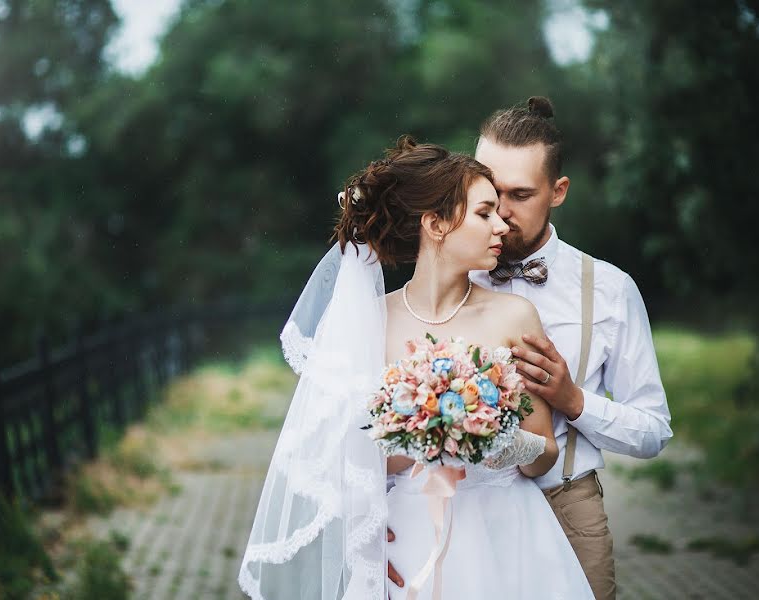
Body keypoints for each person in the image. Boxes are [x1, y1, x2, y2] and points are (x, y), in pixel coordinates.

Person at [239, 135, 594, 599]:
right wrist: (364, 538)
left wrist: (495, 440)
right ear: (436, 223)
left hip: (508, 529)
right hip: (406, 535)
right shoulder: (372, 323)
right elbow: (336, 459)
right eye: (484, 213)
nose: (501, 226)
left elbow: (545, 452)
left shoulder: (515, 317)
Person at [391, 96, 674, 600]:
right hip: (446, 514)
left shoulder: (608, 290)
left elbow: (654, 431)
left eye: (519, 194)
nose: (500, 212)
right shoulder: (447, 265)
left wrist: (576, 403)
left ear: (558, 191)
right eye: (489, 192)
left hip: (567, 506)